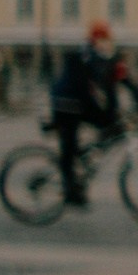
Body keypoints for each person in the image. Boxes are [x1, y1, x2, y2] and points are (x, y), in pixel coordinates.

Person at [48, 24, 124, 207]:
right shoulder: (90, 54)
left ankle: (83, 158)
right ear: (96, 39)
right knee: (69, 146)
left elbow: (108, 85)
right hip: (66, 103)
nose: (107, 43)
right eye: (104, 39)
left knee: (106, 124)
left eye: (108, 40)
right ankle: (70, 191)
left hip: (76, 101)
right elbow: (104, 81)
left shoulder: (96, 55)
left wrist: (114, 113)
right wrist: (111, 113)